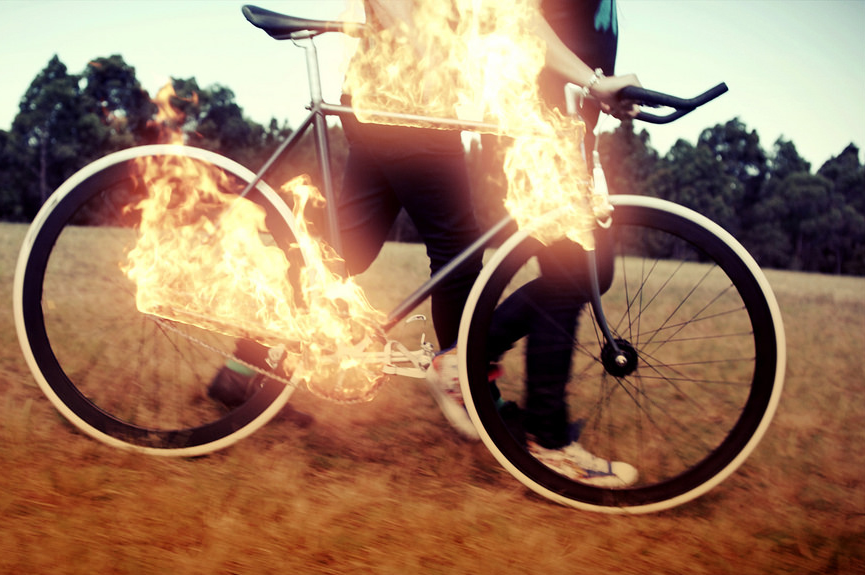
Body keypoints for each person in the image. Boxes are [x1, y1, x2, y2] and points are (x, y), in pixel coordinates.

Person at [213, 0, 640, 487]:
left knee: (347, 250)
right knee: (457, 252)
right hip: (410, 104)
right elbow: (423, 20)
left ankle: (242, 368)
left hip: (398, 101)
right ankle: (469, 385)